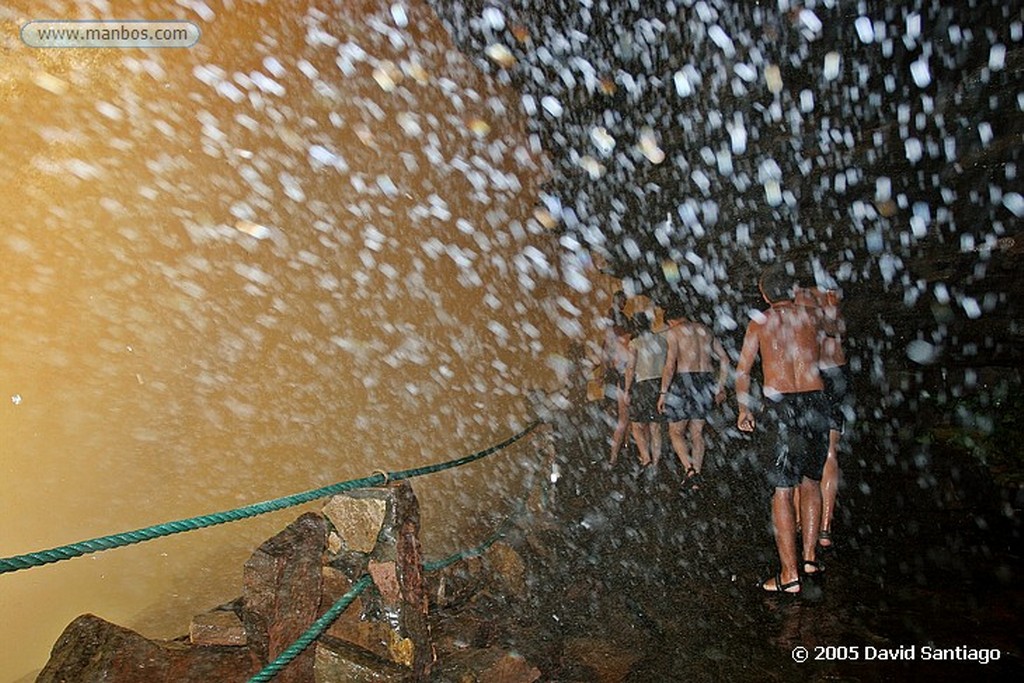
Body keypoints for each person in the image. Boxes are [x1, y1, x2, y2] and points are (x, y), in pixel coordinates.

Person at [735, 268, 829, 594]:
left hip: (781, 407)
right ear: (792, 290)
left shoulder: (760, 322)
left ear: (764, 295)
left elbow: (743, 370)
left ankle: (789, 575)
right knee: (811, 481)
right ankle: (810, 558)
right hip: (815, 402)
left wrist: (744, 408)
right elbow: (831, 334)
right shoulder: (811, 317)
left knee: (783, 490)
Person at [795, 285, 852, 549]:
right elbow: (836, 329)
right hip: (827, 372)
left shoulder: (805, 296)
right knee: (825, 449)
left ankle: (810, 521)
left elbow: (833, 329)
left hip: (816, 375)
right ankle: (820, 525)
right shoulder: (828, 295)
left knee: (810, 448)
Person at [656, 302, 729, 490]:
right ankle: (697, 473)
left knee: (676, 431)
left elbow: (670, 364)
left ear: (671, 321)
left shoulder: (674, 332)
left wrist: (663, 393)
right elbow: (725, 358)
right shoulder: (705, 330)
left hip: (683, 381)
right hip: (705, 381)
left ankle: (689, 469)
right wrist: (719, 386)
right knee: (697, 433)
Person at [623, 311, 668, 469]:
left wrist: (627, 390)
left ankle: (646, 457)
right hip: (659, 383)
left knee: (637, 424)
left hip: (642, 385)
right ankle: (656, 461)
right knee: (656, 426)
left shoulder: (635, 343)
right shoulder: (661, 341)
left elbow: (630, 368)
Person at [605, 323, 633, 466]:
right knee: (635, 421)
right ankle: (628, 449)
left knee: (622, 422)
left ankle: (613, 457)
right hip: (632, 380)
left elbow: (615, 365)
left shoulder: (614, 345)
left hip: (621, 382)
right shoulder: (630, 340)